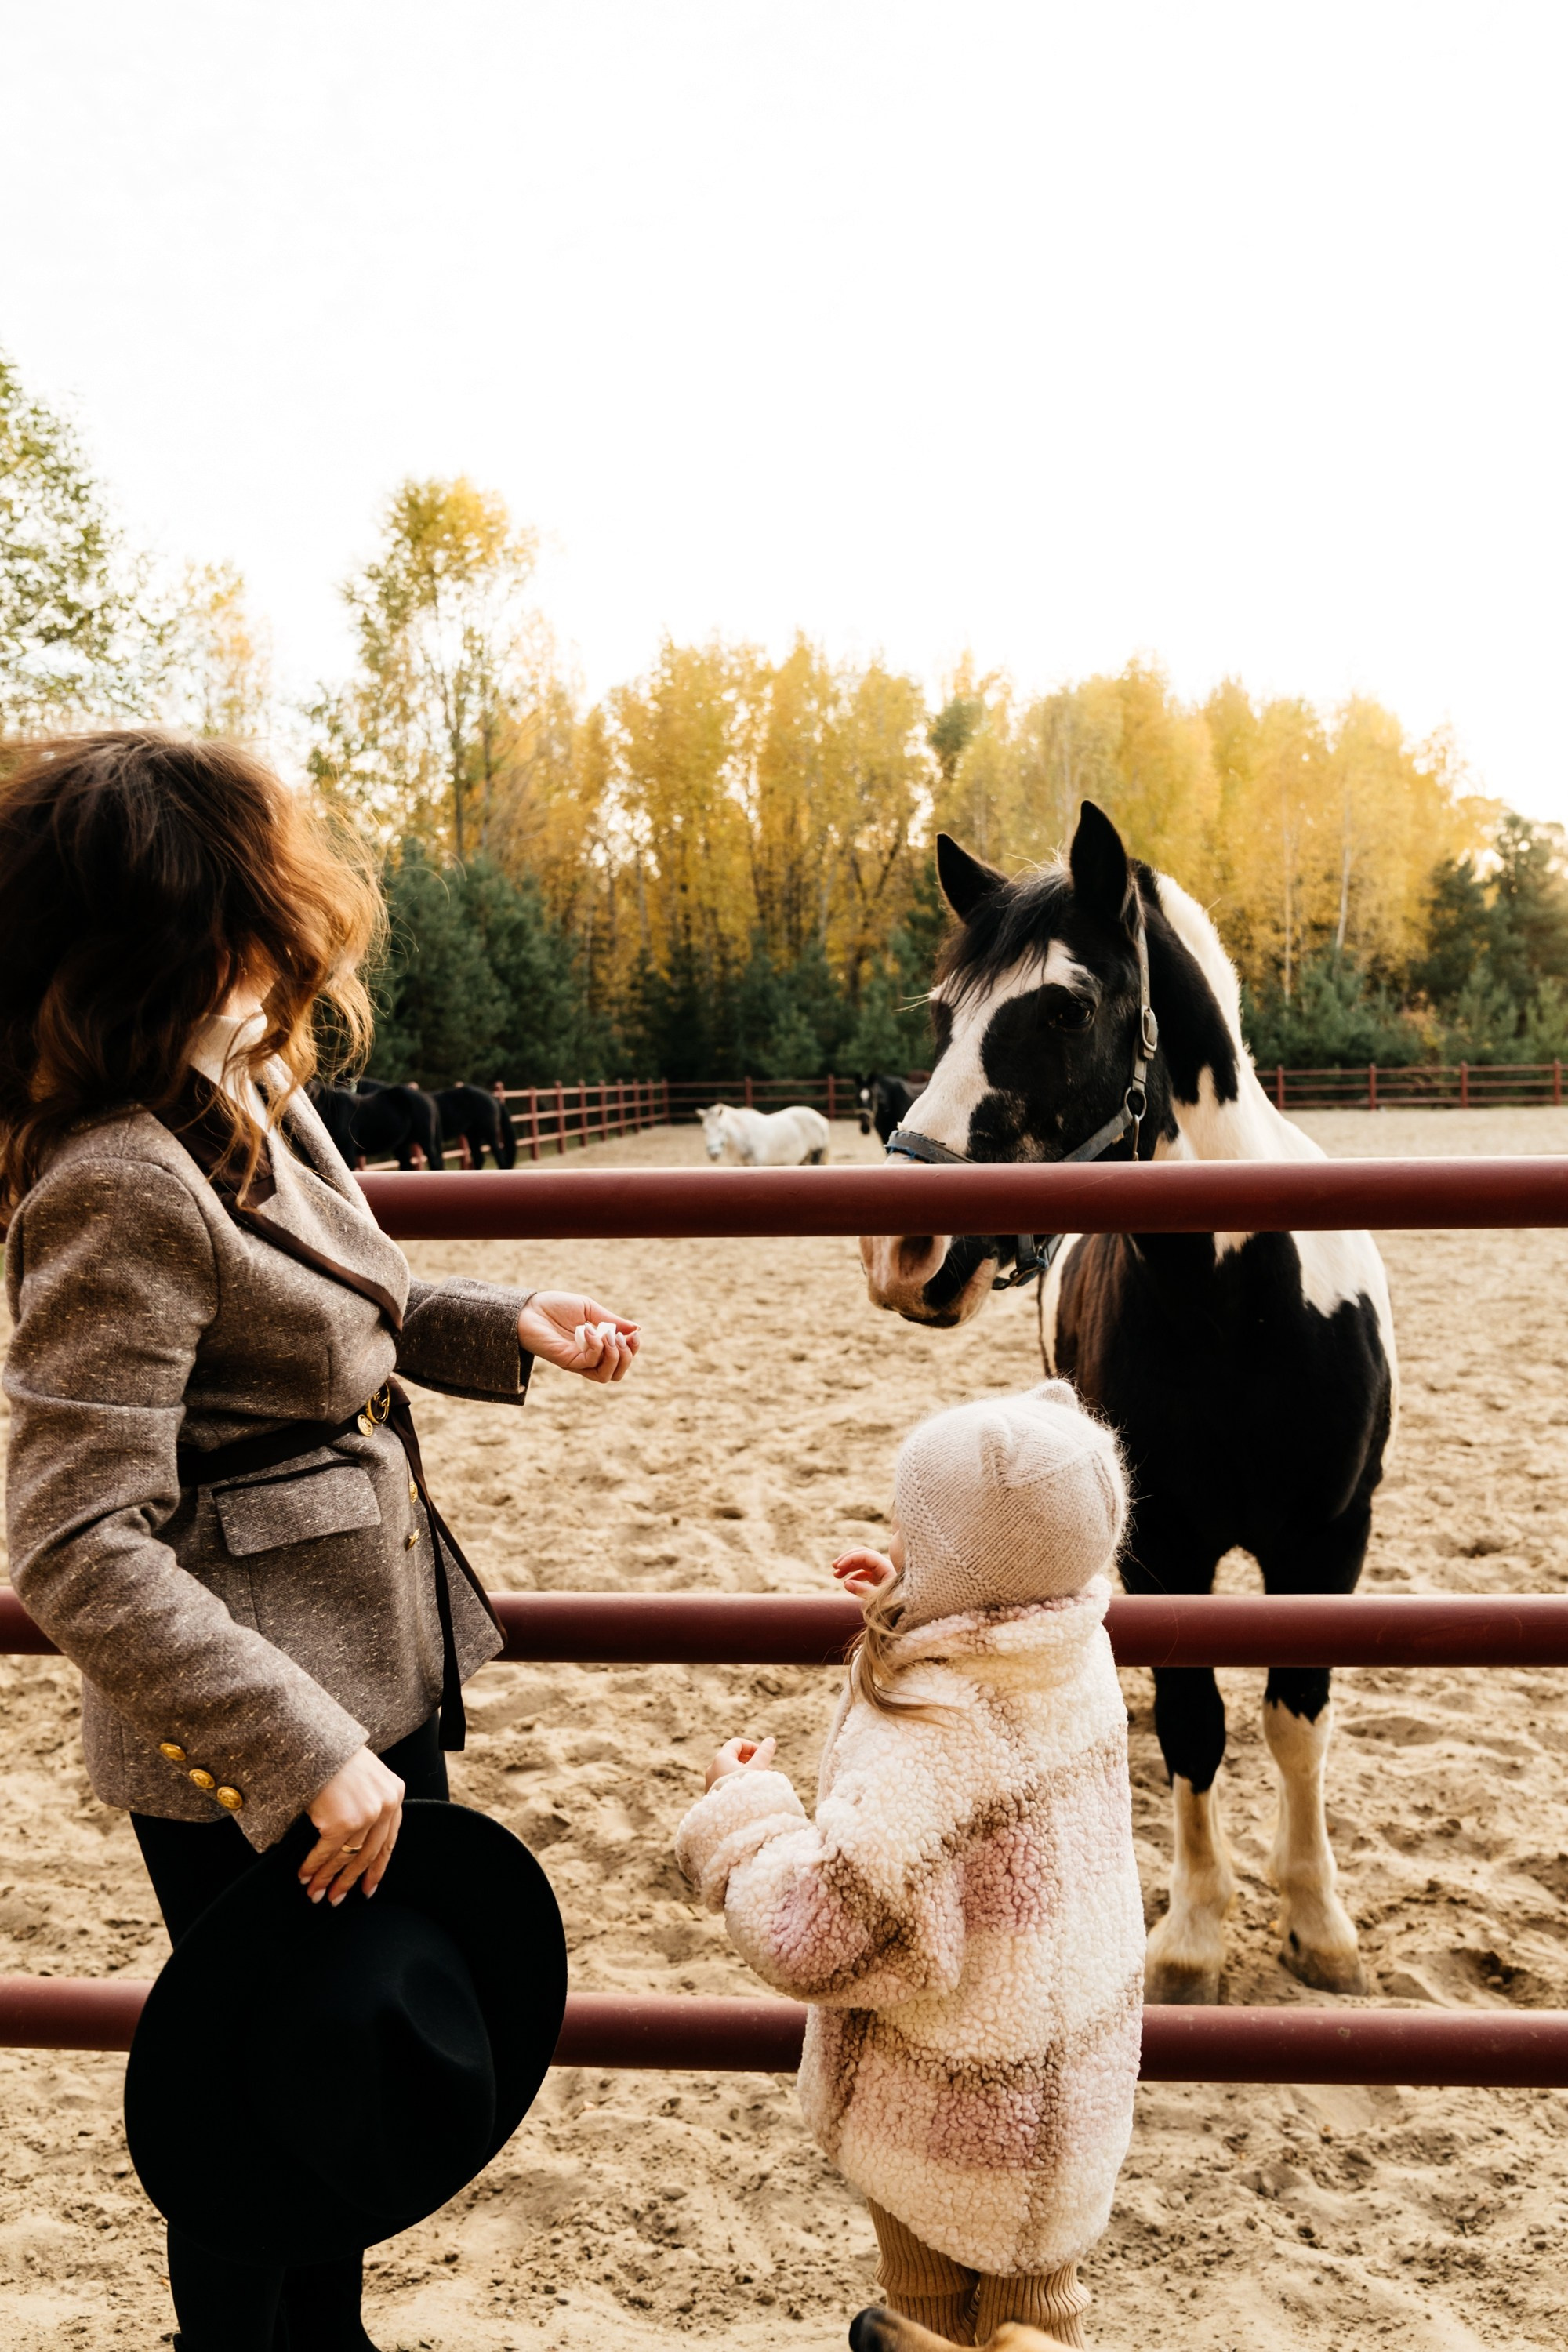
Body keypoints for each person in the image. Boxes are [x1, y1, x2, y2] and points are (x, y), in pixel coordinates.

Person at [0, 730, 641, 2352]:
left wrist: (506, 1324)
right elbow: (73, 1539)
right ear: (173, 933)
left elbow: (348, 1301)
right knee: (257, 2110)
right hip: (256, 1742)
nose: (294, 938)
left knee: (345, 2071)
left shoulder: (251, 1087)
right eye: (258, 905)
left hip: (381, 1654)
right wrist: (298, 1752)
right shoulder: (114, 1180)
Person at [674, 1383, 1144, 2350]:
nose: (895, 1536)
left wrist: (745, 1819)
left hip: (949, 2112)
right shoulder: (1072, 1651)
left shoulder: (934, 1729)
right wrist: (913, 1599)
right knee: (1041, 2316)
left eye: (910, 1532)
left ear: (966, 1564)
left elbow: (821, 1928)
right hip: (1065, 2094)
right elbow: (995, 1623)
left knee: (922, 2310)